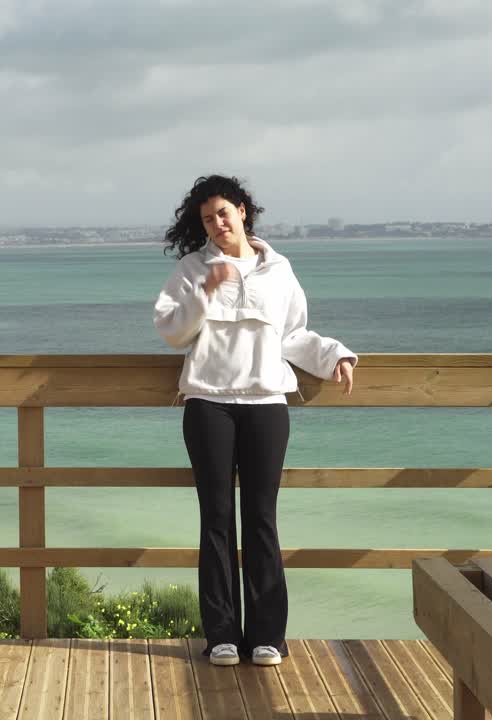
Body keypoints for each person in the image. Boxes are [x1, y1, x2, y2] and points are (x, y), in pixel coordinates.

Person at [153, 174, 356, 667]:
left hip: (267, 405)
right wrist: (205, 289)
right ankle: (221, 635)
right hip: (208, 405)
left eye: (223, 212)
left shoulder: (280, 270)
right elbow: (172, 331)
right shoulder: (191, 268)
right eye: (207, 218)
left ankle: (268, 636)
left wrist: (335, 357)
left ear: (243, 210)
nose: (217, 223)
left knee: (261, 520)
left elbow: (295, 334)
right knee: (216, 521)